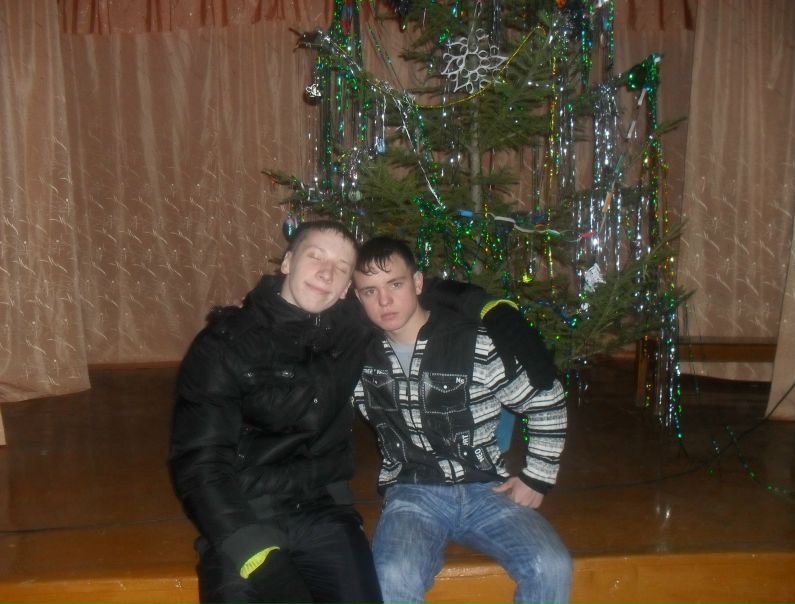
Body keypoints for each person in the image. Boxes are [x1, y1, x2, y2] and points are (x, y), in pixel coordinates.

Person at [169, 220, 557, 604]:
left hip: (322, 509)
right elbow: (200, 463)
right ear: (287, 262)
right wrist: (255, 555)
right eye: (315, 256)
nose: (326, 273)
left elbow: (405, 289)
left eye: (340, 267)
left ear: (345, 290)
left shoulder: (352, 327)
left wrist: (495, 309)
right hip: (242, 509)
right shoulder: (225, 344)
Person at [351, 236, 573, 604]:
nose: (384, 301)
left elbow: (546, 399)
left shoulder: (473, 343)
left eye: (395, 284)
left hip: (486, 487)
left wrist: (537, 476)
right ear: (357, 298)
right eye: (370, 291)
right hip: (412, 490)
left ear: (418, 283)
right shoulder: (358, 356)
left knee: (551, 565)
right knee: (391, 575)